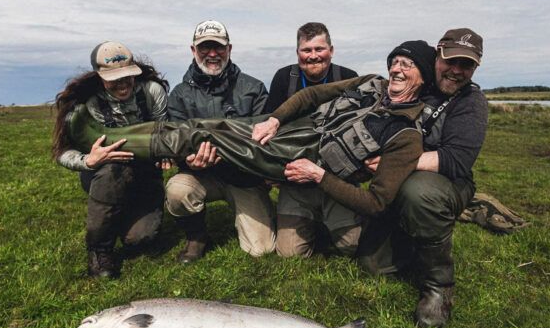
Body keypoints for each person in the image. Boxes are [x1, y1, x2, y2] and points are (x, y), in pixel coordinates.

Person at [66, 41, 437, 226]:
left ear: (422, 78)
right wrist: (275, 120)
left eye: (408, 66)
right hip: (293, 131)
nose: (397, 70)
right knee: (204, 129)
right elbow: (311, 94)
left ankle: (102, 137)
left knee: (201, 135)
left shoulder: (407, 134)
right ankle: (106, 137)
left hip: (306, 160)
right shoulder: (372, 83)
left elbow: (377, 203)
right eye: (395, 63)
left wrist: (319, 175)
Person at [358, 28, 488, 328]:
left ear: (475, 68)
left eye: (465, 65)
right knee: (372, 266)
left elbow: (455, 160)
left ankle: (438, 286)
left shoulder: (471, 102)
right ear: (437, 55)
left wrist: (394, 164)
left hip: (446, 181)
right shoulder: (419, 85)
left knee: (419, 194)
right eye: (450, 61)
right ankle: (411, 237)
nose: (456, 71)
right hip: (400, 182)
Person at [52, 41, 169, 278]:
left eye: (127, 75)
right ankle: (99, 251)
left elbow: (165, 131)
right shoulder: (85, 104)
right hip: (106, 173)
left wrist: (165, 153)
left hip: (146, 175)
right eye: (114, 78)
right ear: (98, 75)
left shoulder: (152, 92)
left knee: (140, 239)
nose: (122, 83)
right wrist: (89, 161)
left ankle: (121, 218)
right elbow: (62, 153)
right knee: (113, 170)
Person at [165, 20, 274, 263]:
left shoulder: (254, 88)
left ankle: (256, 210)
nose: (212, 54)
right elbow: (174, 140)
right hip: (200, 175)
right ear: (193, 50)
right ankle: (197, 237)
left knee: (262, 250)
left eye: (219, 47)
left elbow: (266, 141)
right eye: (205, 47)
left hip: (244, 178)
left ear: (229, 49)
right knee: (177, 191)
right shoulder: (179, 94)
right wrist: (189, 161)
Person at [265, 22, 361, 258]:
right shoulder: (283, 78)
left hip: (337, 180)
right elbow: (268, 127)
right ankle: (308, 220)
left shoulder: (348, 78)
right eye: (306, 50)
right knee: (289, 255)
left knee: (353, 246)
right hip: (296, 182)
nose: (313, 56)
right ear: (297, 53)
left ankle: (330, 221)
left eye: (320, 49)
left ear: (332, 50)